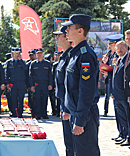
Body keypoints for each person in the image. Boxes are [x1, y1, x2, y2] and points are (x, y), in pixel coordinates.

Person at [62, 14, 100, 155]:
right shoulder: (76, 53)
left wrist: (80, 120)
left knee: (86, 152)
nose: (66, 31)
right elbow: (71, 86)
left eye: (69, 28)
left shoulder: (85, 55)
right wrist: (67, 108)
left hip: (84, 115)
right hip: (75, 113)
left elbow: (86, 91)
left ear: (80, 31)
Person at [53, 26, 74, 156]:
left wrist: (66, 108)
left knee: (73, 141)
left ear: (67, 37)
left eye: (59, 36)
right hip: (63, 102)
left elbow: (70, 86)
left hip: (69, 105)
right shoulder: (64, 56)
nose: (56, 38)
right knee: (68, 139)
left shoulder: (71, 56)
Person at [111, 41, 130, 147]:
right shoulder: (118, 60)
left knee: (128, 117)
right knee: (122, 117)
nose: (119, 50)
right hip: (117, 94)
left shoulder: (127, 59)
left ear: (126, 48)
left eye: (121, 48)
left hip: (124, 94)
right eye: (117, 48)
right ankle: (124, 135)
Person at [101, 34, 123, 142]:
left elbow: (117, 72)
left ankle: (125, 133)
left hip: (118, 86)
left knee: (122, 112)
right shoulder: (110, 55)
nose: (109, 46)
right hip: (111, 83)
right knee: (117, 111)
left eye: (110, 44)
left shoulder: (118, 56)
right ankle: (121, 133)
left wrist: (108, 73)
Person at [29, 48, 53, 119]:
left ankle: (44, 114)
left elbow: (50, 75)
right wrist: (31, 85)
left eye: (40, 53)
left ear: (43, 54)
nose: (39, 55)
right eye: (38, 53)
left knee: (45, 99)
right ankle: (38, 114)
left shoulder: (47, 63)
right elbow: (30, 75)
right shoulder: (33, 64)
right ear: (36, 55)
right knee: (37, 99)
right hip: (37, 84)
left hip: (45, 83)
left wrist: (50, 84)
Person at [4, 47, 27, 118]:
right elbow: (6, 74)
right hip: (12, 83)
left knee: (20, 98)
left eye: (18, 54)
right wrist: (7, 83)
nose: (17, 55)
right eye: (16, 54)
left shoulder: (22, 62)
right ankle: (14, 112)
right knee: (13, 98)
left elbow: (26, 71)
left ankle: (20, 113)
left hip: (21, 83)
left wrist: (20, 61)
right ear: (12, 54)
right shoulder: (8, 63)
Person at [26, 49, 36, 113]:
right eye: (30, 55)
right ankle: (31, 108)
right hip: (30, 83)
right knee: (31, 97)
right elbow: (26, 75)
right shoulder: (27, 64)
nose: (31, 56)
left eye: (32, 55)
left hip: (37, 82)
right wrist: (28, 85)